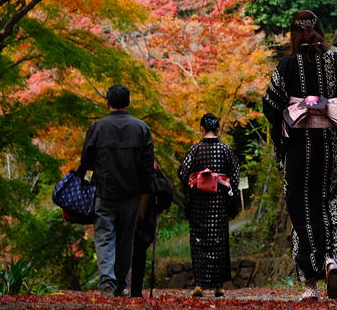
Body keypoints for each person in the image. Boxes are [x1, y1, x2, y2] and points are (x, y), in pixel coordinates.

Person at [262, 11, 337, 300]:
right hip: (330, 143)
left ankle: (309, 283)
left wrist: (286, 126)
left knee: (302, 208)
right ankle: (332, 259)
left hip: (299, 146)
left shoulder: (286, 65)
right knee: (330, 200)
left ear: (293, 35)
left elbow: (270, 106)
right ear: (320, 31)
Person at [77, 84, 154, 297]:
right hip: (131, 194)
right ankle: (120, 283)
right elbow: (147, 167)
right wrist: (145, 197)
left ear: (107, 102)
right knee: (126, 240)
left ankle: (107, 284)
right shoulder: (141, 128)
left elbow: (86, 161)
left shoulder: (97, 127)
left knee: (104, 236)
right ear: (128, 102)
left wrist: (88, 177)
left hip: (105, 191)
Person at [178, 113, 240, 298]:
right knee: (219, 242)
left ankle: (199, 285)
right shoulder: (226, 150)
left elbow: (183, 173)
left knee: (199, 242)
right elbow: (234, 176)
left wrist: (198, 182)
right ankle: (218, 286)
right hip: (219, 203)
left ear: (201, 128)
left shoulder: (195, 150)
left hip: (199, 203)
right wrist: (226, 190)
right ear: (218, 128)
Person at [130, 162, 173, 298]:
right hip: (145, 217)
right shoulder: (151, 165)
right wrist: (159, 208)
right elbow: (166, 191)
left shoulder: (118, 160)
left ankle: (117, 287)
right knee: (139, 253)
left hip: (121, 213)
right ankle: (136, 290)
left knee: (120, 250)